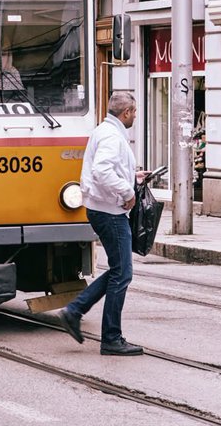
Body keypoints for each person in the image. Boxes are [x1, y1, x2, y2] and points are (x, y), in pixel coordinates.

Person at [56, 90, 148, 356]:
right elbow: (101, 170)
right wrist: (127, 192)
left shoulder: (105, 131)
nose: (134, 116)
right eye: (134, 112)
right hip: (110, 212)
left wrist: (133, 176)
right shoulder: (111, 135)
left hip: (103, 209)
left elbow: (108, 168)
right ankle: (110, 337)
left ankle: (75, 311)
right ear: (126, 112)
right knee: (123, 273)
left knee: (119, 270)